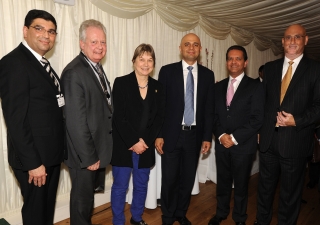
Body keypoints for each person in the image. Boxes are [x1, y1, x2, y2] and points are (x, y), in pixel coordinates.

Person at [0, 9, 64, 225]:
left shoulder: (43, 64)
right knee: (36, 216)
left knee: (45, 213)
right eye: (39, 28)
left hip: (50, 157)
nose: (46, 35)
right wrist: (34, 163)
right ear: (25, 31)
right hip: (34, 161)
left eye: (52, 31)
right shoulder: (14, 63)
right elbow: (16, 121)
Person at [255, 24, 320, 225]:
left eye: (297, 37)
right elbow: (263, 103)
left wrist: (296, 120)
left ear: (305, 40)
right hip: (268, 142)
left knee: (290, 194)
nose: (292, 41)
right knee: (264, 189)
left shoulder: (316, 69)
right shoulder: (271, 68)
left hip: (295, 142)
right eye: (288, 37)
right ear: (282, 42)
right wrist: (260, 129)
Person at [155, 33, 215, 225]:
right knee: (169, 179)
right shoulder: (167, 71)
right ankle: (167, 215)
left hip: (194, 136)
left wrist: (207, 137)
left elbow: (208, 108)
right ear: (180, 48)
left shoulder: (208, 75)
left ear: (199, 49)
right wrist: (159, 134)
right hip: (172, 135)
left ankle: (180, 213)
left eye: (195, 44)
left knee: (188, 179)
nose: (191, 47)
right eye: (187, 44)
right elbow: (160, 106)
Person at [61, 19, 113, 225]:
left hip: (94, 151)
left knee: (86, 203)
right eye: (94, 42)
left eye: (103, 42)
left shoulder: (95, 67)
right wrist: (90, 157)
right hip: (84, 156)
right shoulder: (75, 72)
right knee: (81, 206)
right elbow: (76, 121)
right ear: (82, 44)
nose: (99, 47)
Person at [208, 45, 264, 225]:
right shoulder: (218, 87)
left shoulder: (256, 86)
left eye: (238, 58)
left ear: (245, 62)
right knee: (222, 182)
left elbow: (257, 119)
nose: (234, 62)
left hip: (243, 145)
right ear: (226, 62)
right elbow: (213, 115)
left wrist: (234, 137)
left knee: (241, 185)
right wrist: (221, 134)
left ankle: (240, 217)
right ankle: (221, 213)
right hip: (222, 144)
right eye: (230, 58)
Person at [111, 43, 165, 225]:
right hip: (124, 146)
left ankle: (136, 218)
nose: (145, 63)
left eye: (150, 60)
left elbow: (159, 118)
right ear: (134, 61)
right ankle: (118, 221)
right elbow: (118, 117)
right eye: (141, 59)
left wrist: (145, 142)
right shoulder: (121, 83)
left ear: (154, 64)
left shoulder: (159, 87)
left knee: (141, 186)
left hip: (146, 147)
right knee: (120, 187)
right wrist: (134, 141)